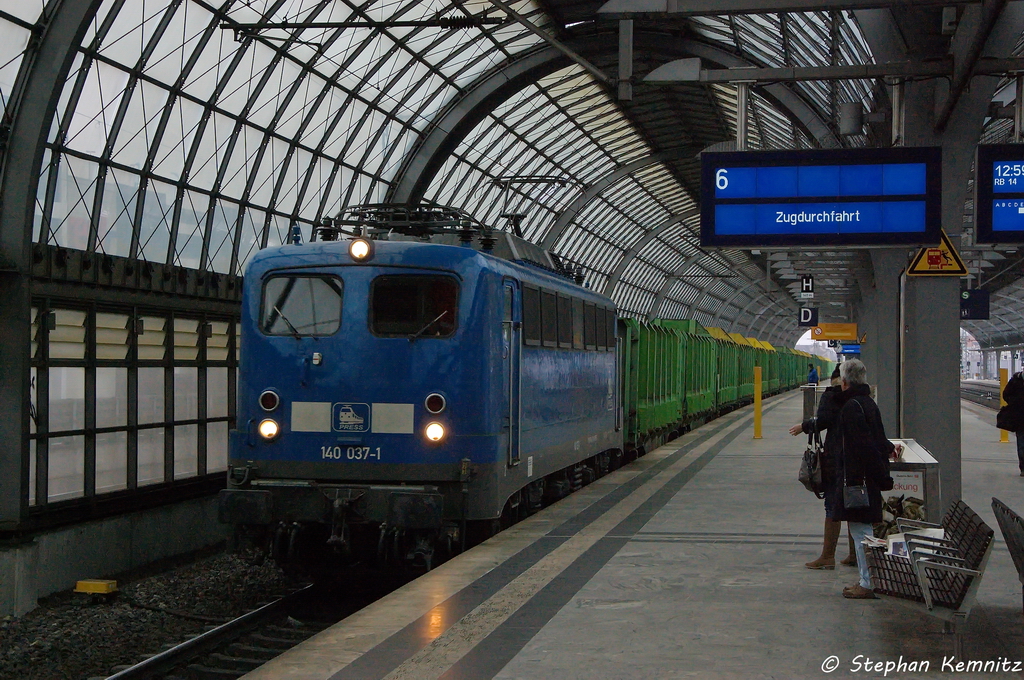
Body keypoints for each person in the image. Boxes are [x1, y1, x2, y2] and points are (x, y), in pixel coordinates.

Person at [830, 358, 900, 599]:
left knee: (861, 532)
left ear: (845, 381)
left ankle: (868, 583)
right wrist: (888, 451)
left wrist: (880, 477)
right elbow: (878, 437)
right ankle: (866, 579)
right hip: (864, 477)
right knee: (862, 529)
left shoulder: (852, 407)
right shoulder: (868, 403)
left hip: (857, 479)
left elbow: (865, 445)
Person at [789, 366, 857, 569]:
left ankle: (828, 556)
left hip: (837, 459)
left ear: (840, 380)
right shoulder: (866, 399)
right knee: (855, 507)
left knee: (833, 507)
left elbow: (825, 420)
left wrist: (805, 426)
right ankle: (854, 554)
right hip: (857, 460)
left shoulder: (833, 396)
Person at [1001, 371, 1024, 475]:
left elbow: (1006, 395)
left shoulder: (1016, 380)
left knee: (1021, 443)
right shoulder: (1016, 380)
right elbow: (1006, 394)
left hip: (1019, 417)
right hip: (1020, 418)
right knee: (1022, 443)